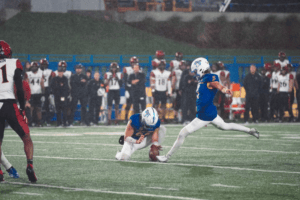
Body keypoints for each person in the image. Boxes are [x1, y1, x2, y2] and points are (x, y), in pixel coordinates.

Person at [156, 58, 259, 163]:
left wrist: (224, 89)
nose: (195, 73)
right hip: (210, 112)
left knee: (182, 133)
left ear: (201, 69)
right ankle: (249, 130)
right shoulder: (203, 78)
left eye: (196, 70)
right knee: (225, 126)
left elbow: (216, 84)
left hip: (204, 115)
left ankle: (166, 157)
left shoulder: (209, 77)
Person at [0, 40, 37, 182]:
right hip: (10, 104)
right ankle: (29, 165)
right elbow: (19, 87)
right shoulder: (14, 62)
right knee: (26, 138)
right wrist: (22, 107)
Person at [26, 61, 44, 127]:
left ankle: (39, 122)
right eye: (33, 66)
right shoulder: (28, 74)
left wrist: (43, 92)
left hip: (38, 93)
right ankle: (30, 122)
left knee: (38, 108)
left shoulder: (40, 73)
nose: (34, 67)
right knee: (31, 108)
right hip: (31, 93)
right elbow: (26, 84)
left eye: (35, 66)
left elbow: (42, 83)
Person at [54, 61, 73, 125]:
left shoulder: (66, 77)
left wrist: (68, 94)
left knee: (64, 108)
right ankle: (59, 122)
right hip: (57, 96)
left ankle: (65, 122)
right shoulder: (55, 76)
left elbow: (68, 86)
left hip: (64, 96)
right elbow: (52, 86)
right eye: (60, 69)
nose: (60, 72)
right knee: (58, 109)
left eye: (63, 67)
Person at [40, 58, 55, 126]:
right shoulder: (37, 71)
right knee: (39, 107)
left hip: (47, 89)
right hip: (39, 90)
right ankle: (40, 121)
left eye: (45, 64)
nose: (44, 66)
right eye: (43, 64)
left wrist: (50, 90)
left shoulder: (50, 71)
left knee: (47, 106)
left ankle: (47, 120)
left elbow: (52, 79)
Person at [123, 56, 139, 122]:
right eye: (133, 63)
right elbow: (125, 80)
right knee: (128, 104)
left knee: (136, 105)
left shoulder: (139, 69)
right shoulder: (127, 69)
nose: (134, 64)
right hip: (129, 89)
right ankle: (126, 118)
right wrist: (126, 90)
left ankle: (135, 119)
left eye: (135, 63)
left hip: (136, 89)